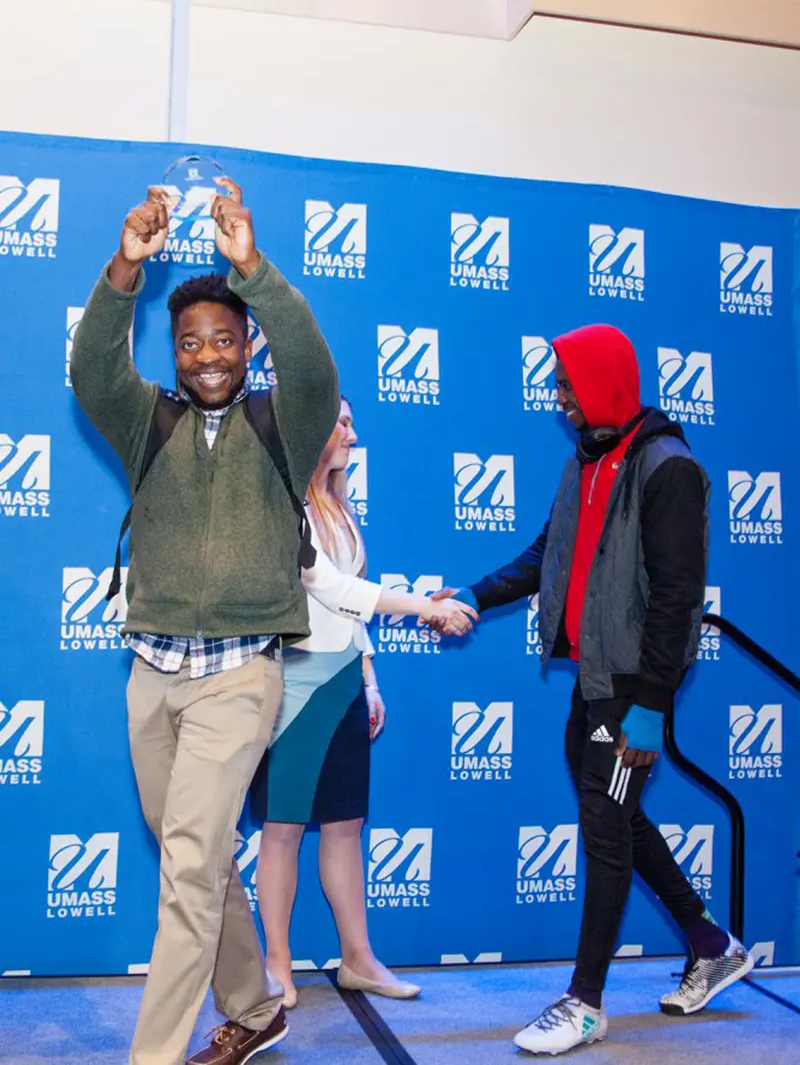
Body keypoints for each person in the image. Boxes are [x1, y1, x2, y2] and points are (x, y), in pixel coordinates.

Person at [70, 181, 339, 1065]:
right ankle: (256, 1012)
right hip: (152, 676)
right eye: (192, 344)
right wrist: (125, 269)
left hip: (238, 677)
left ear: (245, 343)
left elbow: (316, 369)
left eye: (225, 340)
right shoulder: (147, 422)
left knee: (187, 870)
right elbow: (91, 370)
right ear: (176, 353)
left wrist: (252, 269)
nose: (209, 356)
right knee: (203, 859)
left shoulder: (283, 426)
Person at [433, 324, 753, 1056]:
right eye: (558, 387)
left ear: (605, 383)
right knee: (619, 817)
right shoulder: (587, 460)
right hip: (595, 678)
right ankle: (712, 943)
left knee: (606, 834)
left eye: (568, 387)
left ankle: (584, 1002)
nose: (560, 401)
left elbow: (677, 601)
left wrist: (651, 706)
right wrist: (478, 596)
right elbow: (549, 553)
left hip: (633, 688)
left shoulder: (668, 468)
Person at [249, 396, 477, 1008]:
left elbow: (349, 615)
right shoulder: (284, 503)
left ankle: (359, 959)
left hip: (345, 681)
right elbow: (330, 588)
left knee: (346, 826)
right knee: (284, 830)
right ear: (309, 428)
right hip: (294, 685)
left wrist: (370, 679)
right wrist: (423, 606)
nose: (352, 433)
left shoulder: (338, 509)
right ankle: (276, 966)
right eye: (342, 422)